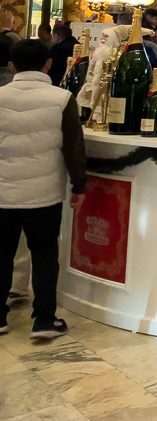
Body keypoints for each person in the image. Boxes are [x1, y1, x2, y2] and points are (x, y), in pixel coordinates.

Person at [0, 39, 86, 340]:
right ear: (48, 64)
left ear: (11, 66)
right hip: (44, 193)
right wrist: (79, 185)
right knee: (45, 254)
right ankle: (44, 321)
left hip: (2, 192)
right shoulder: (62, 98)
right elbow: (74, 148)